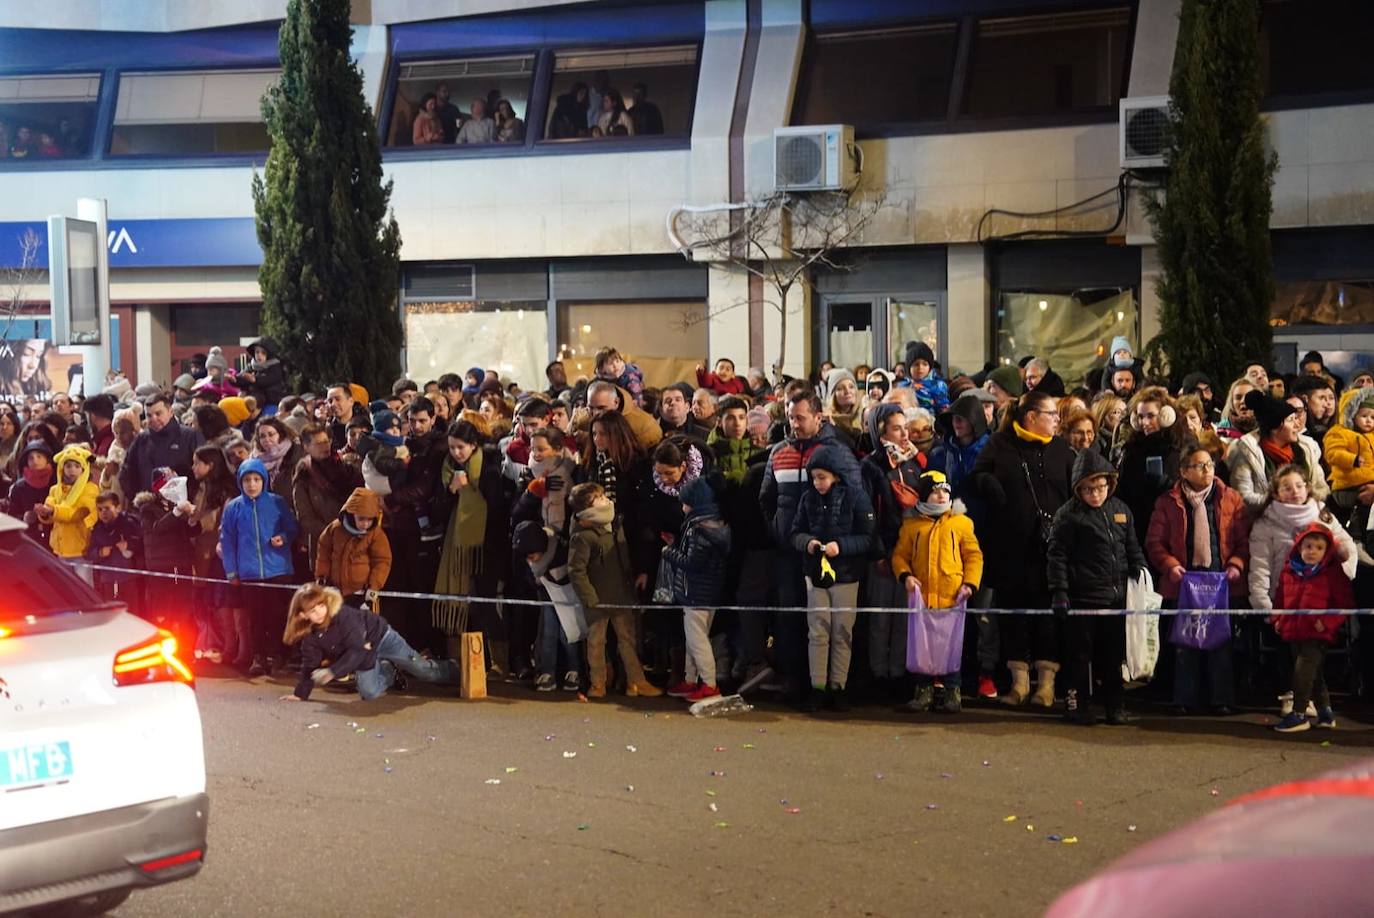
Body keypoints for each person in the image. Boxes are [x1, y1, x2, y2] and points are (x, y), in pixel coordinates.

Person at [968, 390, 1073, 707]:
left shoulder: (1062, 450)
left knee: (1047, 618)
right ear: (1031, 417)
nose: (1057, 419)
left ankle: (1046, 685)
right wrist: (991, 485)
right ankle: (1019, 684)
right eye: (1051, 414)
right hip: (1010, 548)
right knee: (1013, 617)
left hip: (1050, 550)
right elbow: (977, 476)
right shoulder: (1000, 444)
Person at [761, 390, 863, 707]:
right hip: (789, 551)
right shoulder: (778, 452)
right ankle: (797, 682)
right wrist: (779, 531)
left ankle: (836, 687)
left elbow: (855, 499)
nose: (794, 423)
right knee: (792, 620)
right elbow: (766, 498)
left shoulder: (838, 452)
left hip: (829, 556)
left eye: (800, 417)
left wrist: (837, 543)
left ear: (818, 417)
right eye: (790, 417)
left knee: (832, 626)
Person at [1146, 440, 1248, 715]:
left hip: (1220, 582)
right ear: (1184, 471)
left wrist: (1237, 564)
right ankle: (1184, 698)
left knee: (1221, 642)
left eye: (1209, 465)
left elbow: (1243, 540)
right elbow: (1155, 542)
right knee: (1184, 642)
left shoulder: (1231, 498)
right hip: (1184, 581)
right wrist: (1170, 565)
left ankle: (1222, 699)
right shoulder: (1167, 502)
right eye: (1199, 466)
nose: (1206, 470)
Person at [1047, 448, 1147, 725]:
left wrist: (1140, 570)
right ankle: (1076, 703)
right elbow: (1057, 556)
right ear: (1078, 488)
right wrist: (1060, 592)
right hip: (1083, 598)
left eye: (1101, 487)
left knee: (1112, 656)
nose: (1096, 494)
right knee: (1078, 656)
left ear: (1109, 484)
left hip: (1115, 598)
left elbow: (1131, 547)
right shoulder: (1068, 515)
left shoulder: (1121, 510)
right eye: (1089, 489)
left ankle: (1114, 705)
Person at [789, 445, 875, 712]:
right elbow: (795, 532)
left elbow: (868, 537)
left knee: (842, 632)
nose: (818, 483)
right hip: (815, 573)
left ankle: (839, 685)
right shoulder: (807, 499)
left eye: (822, 477)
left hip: (846, 574)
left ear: (836, 475)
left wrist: (841, 546)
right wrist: (808, 543)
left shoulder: (857, 498)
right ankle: (818, 686)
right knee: (818, 630)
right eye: (814, 477)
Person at [891, 470, 982, 713]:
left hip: (952, 597)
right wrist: (906, 576)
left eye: (945, 490)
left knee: (951, 645)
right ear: (923, 496)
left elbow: (973, 556)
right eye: (934, 491)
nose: (941, 496)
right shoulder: (912, 526)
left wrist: (970, 584)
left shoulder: (962, 523)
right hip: (923, 599)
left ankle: (953, 689)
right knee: (924, 646)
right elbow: (900, 555)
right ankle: (923, 690)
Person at [281, 584, 460, 702]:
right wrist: (300, 694)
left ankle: (456, 670)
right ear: (302, 615)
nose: (320, 612)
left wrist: (332, 672)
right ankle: (389, 671)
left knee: (424, 671)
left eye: (321, 605)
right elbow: (309, 664)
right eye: (312, 610)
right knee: (369, 693)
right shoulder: (310, 636)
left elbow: (356, 648)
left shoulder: (342, 615)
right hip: (363, 653)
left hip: (382, 638)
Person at [566, 482, 661, 698]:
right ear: (587, 510)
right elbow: (576, 570)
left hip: (621, 594)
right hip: (597, 599)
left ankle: (637, 680)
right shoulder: (582, 535)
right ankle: (597, 683)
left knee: (628, 640)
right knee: (596, 643)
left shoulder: (615, 525)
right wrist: (589, 597)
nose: (605, 500)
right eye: (598, 498)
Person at [432, 419, 510, 667]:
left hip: (485, 546)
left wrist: (473, 486)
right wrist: (451, 491)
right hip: (456, 548)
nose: (456, 453)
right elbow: (437, 511)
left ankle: (494, 658)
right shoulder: (445, 468)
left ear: (474, 445)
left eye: (461, 447)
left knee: (483, 603)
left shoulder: (488, 466)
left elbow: (498, 507)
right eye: (452, 447)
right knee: (467, 604)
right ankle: (477, 661)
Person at [860, 403, 924, 695]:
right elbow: (868, 513)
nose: (903, 433)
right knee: (880, 617)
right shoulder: (871, 466)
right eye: (896, 428)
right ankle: (877, 674)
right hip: (883, 551)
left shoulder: (914, 463)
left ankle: (898, 673)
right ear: (880, 431)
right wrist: (878, 552)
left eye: (904, 427)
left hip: (909, 553)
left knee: (903, 618)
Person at [221, 457, 300, 677]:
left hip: (278, 570)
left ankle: (280, 655)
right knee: (255, 618)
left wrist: (284, 537)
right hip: (249, 573)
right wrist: (231, 571)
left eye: (256, 479)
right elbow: (227, 541)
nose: (252, 484)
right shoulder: (233, 508)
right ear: (241, 482)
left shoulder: (277, 502)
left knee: (278, 615)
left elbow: (292, 527)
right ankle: (259, 657)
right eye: (247, 480)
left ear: (264, 481)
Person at [1270, 524, 1350, 733]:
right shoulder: (1289, 570)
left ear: (1327, 551)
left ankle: (1298, 714)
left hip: (1317, 633)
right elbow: (1280, 597)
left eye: (1318, 547)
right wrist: (1277, 618)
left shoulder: (1333, 573)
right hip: (1293, 629)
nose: (1312, 551)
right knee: (1314, 672)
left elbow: (1344, 603)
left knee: (1302, 672)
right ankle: (1325, 713)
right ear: (1299, 547)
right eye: (1308, 546)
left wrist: (1327, 623)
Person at [661, 477, 732, 702]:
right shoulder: (715, 525)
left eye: (685, 503)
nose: (682, 508)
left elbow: (693, 563)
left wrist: (668, 552)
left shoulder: (699, 529)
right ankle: (691, 680)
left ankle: (709, 684)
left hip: (696, 593)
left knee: (697, 640)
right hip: (708, 592)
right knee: (695, 638)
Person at [1227, 389, 1327, 512]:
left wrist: (1304, 504)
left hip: (1307, 516)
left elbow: (1321, 488)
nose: (1297, 424)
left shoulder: (1306, 449)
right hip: (1266, 521)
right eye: (1291, 420)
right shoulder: (1247, 451)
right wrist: (1283, 504)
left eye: (1296, 418)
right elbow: (1243, 497)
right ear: (1274, 427)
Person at [1116, 386, 1183, 546]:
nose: (1145, 422)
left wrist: (1168, 485)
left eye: (1150, 416)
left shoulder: (1179, 449)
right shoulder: (1131, 450)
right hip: (1139, 528)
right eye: (1140, 416)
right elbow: (1123, 492)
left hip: (1171, 529)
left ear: (1166, 416)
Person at [293, 423, 364, 570]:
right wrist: (333, 532)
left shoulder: (345, 465)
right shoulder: (304, 474)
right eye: (318, 443)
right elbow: (305, 516)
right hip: (325, 544)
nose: (324, 446)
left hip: (354, 538)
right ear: (306, 447)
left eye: (326, 441)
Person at [315, 487, 392, 610]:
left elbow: (382, 561)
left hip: (363, 594)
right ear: (351, 514)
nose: (365, 524)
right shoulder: (335, 529)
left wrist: (374, 587)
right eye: (361, 519)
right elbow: (323, 552)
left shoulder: (376, 534)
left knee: (366, 626)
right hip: (336, 591)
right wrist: (322, 576)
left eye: (370, 519)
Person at [120, 392, 203, 497]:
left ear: (170, 412)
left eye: (158, 414)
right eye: (149, 415)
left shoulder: (190, 436)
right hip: (146, 505)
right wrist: (135, 497)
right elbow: (127, 471)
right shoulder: (141, 439)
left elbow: (202, 472)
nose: (154, 419)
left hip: (182, 506)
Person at [1322, 386, 1374, 520]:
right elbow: (1332, 453)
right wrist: (1352, 459)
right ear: (1351, 414)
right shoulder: (1339, 433)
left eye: (1373, 417)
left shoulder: (1372, 436)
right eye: (1364, 416)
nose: (1369, 420)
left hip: (1367, 481)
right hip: (1347, 485)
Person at [37, 444, 97, 559]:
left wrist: (53, 510)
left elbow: (75, 514)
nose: (72, 470)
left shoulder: (90, 489)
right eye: (68, 466)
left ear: (84, 469)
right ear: (62, 469)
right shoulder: (55, 490)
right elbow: (51, 517)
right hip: (60, 548)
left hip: (81, 548)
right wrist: (44, 514)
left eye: (76, 466)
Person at [85, 491, 143, 604]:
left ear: (118, 507)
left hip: (130, 579)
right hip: (109, 580)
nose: (103, 513)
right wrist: (100, 552)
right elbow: (88, 553)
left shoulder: (130, 523)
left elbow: (143, 545)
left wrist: (129, 545)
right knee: (114, 612)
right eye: (100, 509)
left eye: (107, 508)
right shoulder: (97, 529)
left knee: (133, 613)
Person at [706, 396, 761, 485]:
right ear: (720, 422)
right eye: (730, 418)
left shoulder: (756, 450)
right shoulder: (710, 453)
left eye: (741, 417)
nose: (737, 423)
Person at [8, 440, 54, 542]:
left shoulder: (55, 483)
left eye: (39, 456)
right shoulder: (19, 487)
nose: (35, 461)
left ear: (47, 459)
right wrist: (23, 517)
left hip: (54, 538)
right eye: (31, 458)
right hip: (28, 538)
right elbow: (12, 515)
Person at [238, 337, 286, 409]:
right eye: (257, 352)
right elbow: (242, 376)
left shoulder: (275, 366)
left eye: (263, 353)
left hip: (270, 400)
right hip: (252, 399)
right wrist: (234, 379)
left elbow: (270, 379)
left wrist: (255, 380)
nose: (259, 355)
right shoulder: (251, 366)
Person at [905, 341, 949, 414]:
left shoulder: (938, 386)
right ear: (909, 367)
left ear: (930, 367)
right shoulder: (902, 386)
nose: (920, 368)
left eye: (925, 364)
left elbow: (944, 409)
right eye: (916, 364)